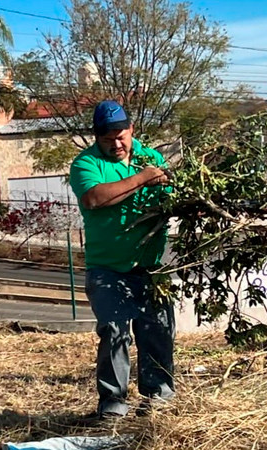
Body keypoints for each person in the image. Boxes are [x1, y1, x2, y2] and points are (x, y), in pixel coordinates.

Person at [69, 100, 174, 419]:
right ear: (96, 138)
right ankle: (113, 403)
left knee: (158, 329)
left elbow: (171, 195)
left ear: (131, 129)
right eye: (107, 139)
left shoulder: (150, 157)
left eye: (120, 135)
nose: (115, 143)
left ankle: (159, 396)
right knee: (115, 331)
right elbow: (95, 198)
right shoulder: (86, 164)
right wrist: (142, 178)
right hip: (107, 268)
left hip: (151, 266)